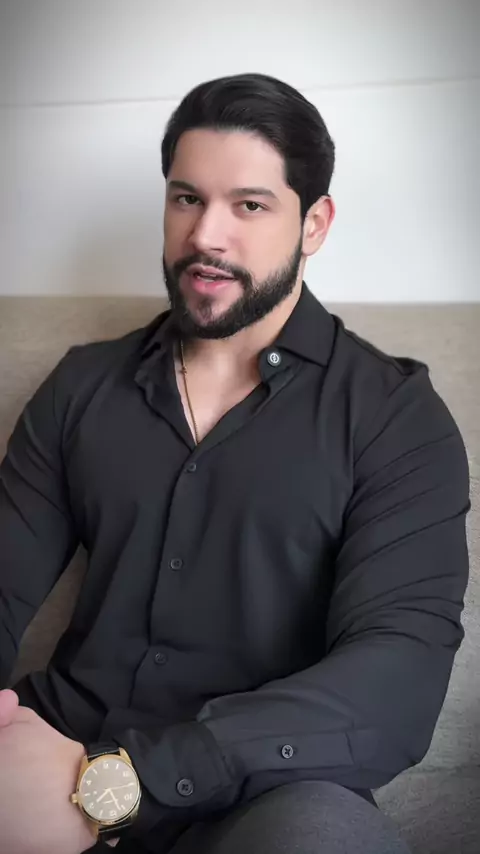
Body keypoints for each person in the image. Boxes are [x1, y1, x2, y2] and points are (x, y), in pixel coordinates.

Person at [0, 72, 470, 854]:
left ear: (314, 223)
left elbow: (397, 679)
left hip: (261, 802)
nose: (206, 236)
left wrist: (114, 785)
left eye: (249, 205)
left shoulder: (395, 417)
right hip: (50, 752)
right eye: (187, 198)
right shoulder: (83, 385)